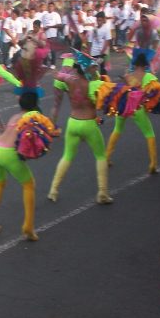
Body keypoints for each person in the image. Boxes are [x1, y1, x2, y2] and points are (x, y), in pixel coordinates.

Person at [48, 52, 123, 204]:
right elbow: (111, 95)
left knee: (67, 156)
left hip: (72, 122)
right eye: (92, 67)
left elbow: (57, 76)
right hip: (88, 123)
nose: (94, 69)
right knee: (101, 156)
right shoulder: (94, 84)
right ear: (87, 68)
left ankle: (53, 190)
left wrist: (56, 70)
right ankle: (102, 193)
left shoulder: (69, 79)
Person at [0, 92, 57, 241]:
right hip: (8, 153)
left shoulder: (15, 116)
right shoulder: (32, 117)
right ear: (36, 104)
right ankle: (28, 227)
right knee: (29, 185)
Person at [106, 53, 160, 174]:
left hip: (123, 106)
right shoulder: (148, 76)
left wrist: (126, 79)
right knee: (149, 133)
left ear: (135, 65)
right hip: (137, 108)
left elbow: (125, 88)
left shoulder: (129, 75)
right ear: (145, 65)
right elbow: (157, 89)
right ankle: (153, 164)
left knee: (117, 129)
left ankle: (107, 157)